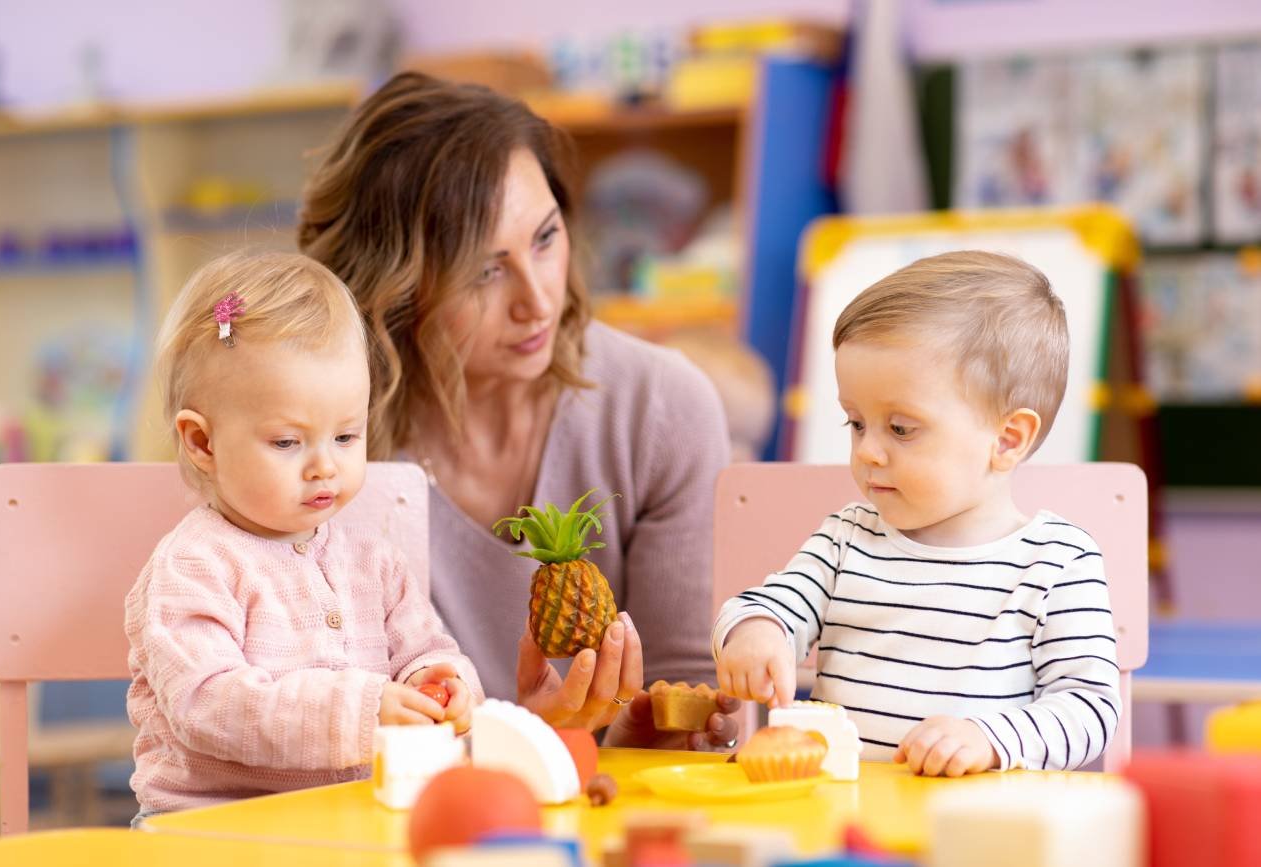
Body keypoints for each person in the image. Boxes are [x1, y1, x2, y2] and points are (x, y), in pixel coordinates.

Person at [298, 72, 739, 749]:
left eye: (545, 237)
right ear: (395, 287)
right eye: (485, 270)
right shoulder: (322, 452)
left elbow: (690, 717)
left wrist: (587, 734)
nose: (537, 299)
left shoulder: (659, 407)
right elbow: (329, 732)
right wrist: (524, 739)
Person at [714, 251, 1121, 776]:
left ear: (1006, 439)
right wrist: (758, 629)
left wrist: (991, 737)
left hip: (975, 833)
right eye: (856, 423)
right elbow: (770, 604)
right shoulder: (846, 538)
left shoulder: (1058, 562)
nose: (867, 452)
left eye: (900, 429)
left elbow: (1090, 708)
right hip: (841, 820)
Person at [125, 251, 481, 820]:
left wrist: (440, 680)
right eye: (288, 443)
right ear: (203, 443)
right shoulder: (194, 566)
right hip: (212, 830)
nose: (325, 467)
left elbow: (424, 649)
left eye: (346, 436)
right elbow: (205, 703)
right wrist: (361, 713)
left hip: (355, 820)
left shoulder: (374, 562)